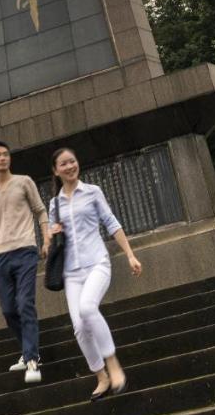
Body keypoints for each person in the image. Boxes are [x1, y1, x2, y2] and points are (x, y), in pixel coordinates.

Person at [45, 147, 143, 401]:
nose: (69, 166)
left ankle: (113, 364)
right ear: (56, 170)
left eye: (72, 161)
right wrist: (51, 236)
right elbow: (53, 242)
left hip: (96, 263)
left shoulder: (93, 192)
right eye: (63, 164)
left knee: (88, 308)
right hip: (71, 272)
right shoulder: (54, 204)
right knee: (79, 327)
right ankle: (101, 376)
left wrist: (130, 254)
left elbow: (111, 222)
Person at [0, 140, 49, 384]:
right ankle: (28, 350)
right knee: (9, 310)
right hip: (1, 256)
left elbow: (40, 210)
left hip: (26, 251)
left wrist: (47, 238)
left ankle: (32, 361)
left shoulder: (24, 181)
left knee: (25, 303)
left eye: (6, 154)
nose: (2, 158)